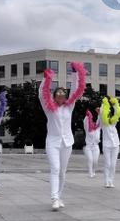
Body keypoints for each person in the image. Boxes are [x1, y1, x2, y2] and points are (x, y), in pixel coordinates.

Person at [39, 62, 86, 210]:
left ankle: (59, 196)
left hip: (67, 142)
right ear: (53, 97)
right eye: (57, 94)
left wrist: (74, 74)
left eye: (63, 94)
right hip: (52, 142)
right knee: (55, 168)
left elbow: (75, 90)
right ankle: (54, 198)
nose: (61, 96)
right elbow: (41, 93)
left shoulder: (69, 106)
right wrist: (46, 79)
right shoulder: (48, 107)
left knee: (62, 171)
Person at [100, 96, 120, 188]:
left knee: (113, 164)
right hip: (106, 145)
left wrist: (114, 103)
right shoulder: (103, 124)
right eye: (108, 113)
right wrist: (105, 104)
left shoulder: (114, 122)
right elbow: (102, 112)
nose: (109, 115)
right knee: (107, 163)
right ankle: (106, 181)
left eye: (110, 114)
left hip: (115, 145)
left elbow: (118, 112)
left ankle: (111, 181)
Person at [83, 109, 100, 178]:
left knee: (95, 161)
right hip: (88, 147)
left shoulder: (98, 129)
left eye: (95, 123)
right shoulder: (88, 129)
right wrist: (87, 116)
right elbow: (85, 122)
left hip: (96, 147)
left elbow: (100, 120)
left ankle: (93, 171)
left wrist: (100, 113)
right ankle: (90, 173)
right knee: (90, 160)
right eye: (92, 122)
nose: (93, 123)